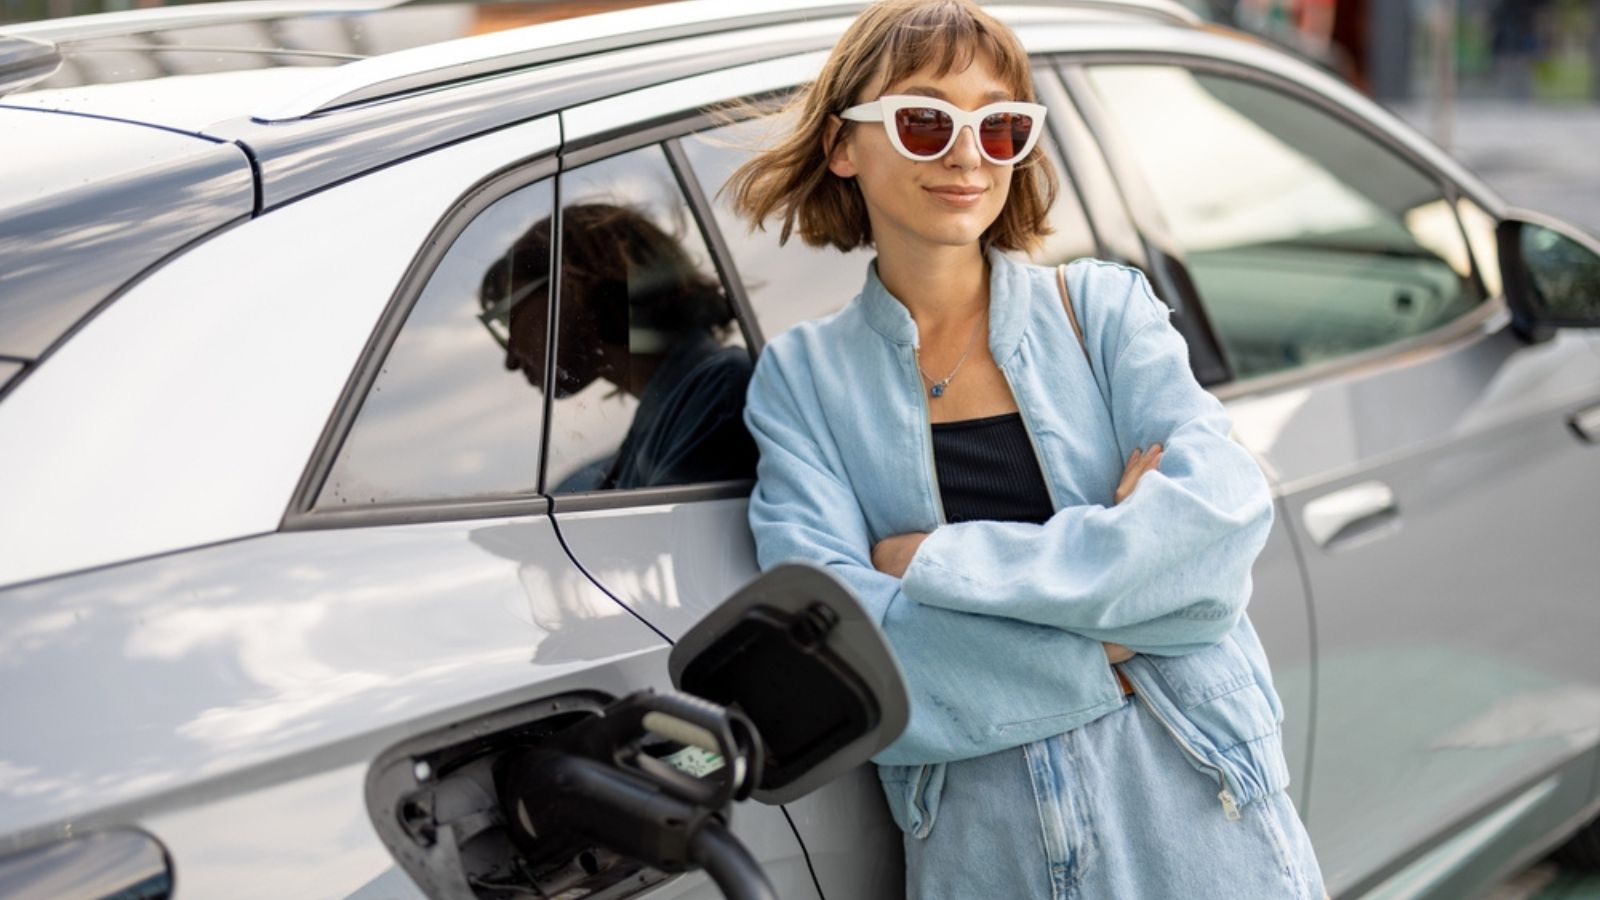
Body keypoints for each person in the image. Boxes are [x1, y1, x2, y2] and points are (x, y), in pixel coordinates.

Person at [724, 1, 1327, 896]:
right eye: (926, 120)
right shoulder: (803, 380)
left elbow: (1212, 534)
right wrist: (1111, 639)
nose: (967, 154)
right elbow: (842, 654)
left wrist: (930, 562)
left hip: (1198, 807)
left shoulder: (1106, 312)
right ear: (843, 147)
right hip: (984, 844)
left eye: (999, 125)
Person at [478, 202, 757, 491]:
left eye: (506, 320)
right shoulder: (674, 414)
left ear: (572, 284)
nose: (510, 359)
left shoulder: (719, 392)